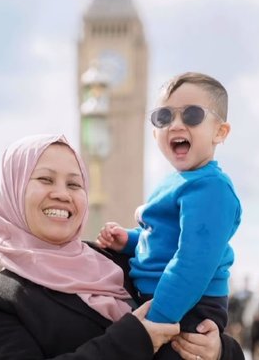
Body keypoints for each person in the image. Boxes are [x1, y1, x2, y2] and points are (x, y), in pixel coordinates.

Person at [0, 134, 245, 360]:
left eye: (74, 184)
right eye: (45, 179)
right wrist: (136, 338)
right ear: (11, 192)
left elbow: (202, 325)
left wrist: (217, 351)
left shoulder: (118, 260)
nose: (61, 194)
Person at [97, 72, 242, 358]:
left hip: (185, 308)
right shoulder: (175, 182)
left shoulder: (211, 188)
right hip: (165, 299)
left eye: (192, 115)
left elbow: (192, 263)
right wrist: (128, 240)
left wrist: (155, 322)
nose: (176, 124)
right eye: (164, 117)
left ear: (220, 132)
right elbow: (163, 237)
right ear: (155, 133)